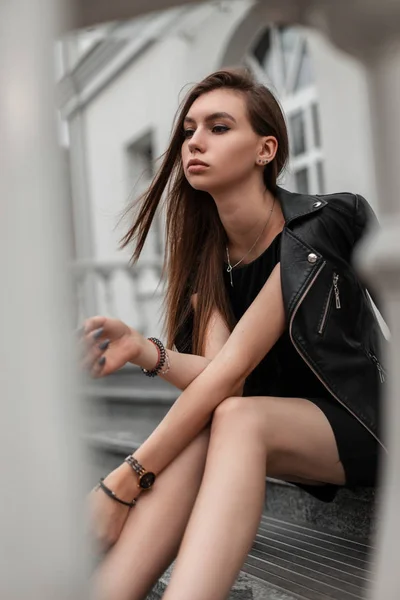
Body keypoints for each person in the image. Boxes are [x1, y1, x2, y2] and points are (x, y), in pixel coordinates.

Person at [81, 68, 388, 600]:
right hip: (278, 429)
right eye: (189, 130)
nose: (194, 141)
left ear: (265, 149)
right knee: (219, 419)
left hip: (368, 424)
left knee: (235, 419)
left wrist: (122, 483)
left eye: (219, 127)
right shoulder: (210, 263)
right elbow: (221, 379)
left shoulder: (321, 225)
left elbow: (230, 374)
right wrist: (142, 349)